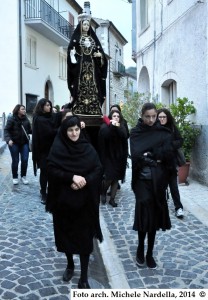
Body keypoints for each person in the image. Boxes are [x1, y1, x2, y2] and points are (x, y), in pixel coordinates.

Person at [46, 116, 103, 289]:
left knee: (85, 239)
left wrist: (84, 180)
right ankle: (70, 264)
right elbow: (51, 168)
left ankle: (84, 277)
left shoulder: (87, 147)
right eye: (70, 130)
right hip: (64, 201)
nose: (74, 133)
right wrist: (71, 177)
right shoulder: (58, 148)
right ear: (65, 131)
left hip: (84, 201)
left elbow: (98, 168)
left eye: (77, 129)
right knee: (66, 236)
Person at [130, 103, 175, 269]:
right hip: (141, 180)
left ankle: (149, 253)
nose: (151, 119)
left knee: (154, 216)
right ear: (142, 115)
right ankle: (140, 248)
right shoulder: (136, 133)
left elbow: (167, 154)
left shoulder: (163, 133)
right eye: (147, 116)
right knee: (144, 214)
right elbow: (135, 155)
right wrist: (151, 157)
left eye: (153, 116)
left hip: (158, 180)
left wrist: (150, 155)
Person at [67, 13, 108, 116]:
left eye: (87, 25)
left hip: (92, 67)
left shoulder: (94, 39)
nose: (86, 26)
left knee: (93, 87)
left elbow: (101, 56)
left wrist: (99, 56)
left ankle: (94, 108)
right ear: (81, 25)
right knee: (80, 86)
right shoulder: (76, 39)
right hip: (80, 68)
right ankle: (79, 107)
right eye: (84, 24)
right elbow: (71, 54)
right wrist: (72, 55)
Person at [32, 98, 63, 204]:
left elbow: (59, 115)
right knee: (45, 172)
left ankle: (51, 191)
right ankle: (43, 192)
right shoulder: (39, 119)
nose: (49, 107)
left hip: (53, 149)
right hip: (43, 150)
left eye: (50, 105)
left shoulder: (51, 116)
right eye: (47, 105)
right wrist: (59, 130)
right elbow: (48, 133)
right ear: (42, 107)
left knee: (52, 171)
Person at [157, 108, 184, 218]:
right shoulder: (154, 129)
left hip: (171, 163)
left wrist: (171, 145)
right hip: (159, 164)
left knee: (174, 187)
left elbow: (180, 140)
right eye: (160, 117)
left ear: (167, 118)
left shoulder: (172, 128)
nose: (162, 119)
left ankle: (179, 208)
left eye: (164, 117)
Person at [98, 110, 128, 207]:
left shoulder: (121, 126)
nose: (116, 117)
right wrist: (111, 126)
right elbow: (104, 136)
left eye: (118, 116)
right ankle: (103, 192)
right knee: (109, 178)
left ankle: (112, 199)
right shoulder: (105, 127)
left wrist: (117, 126)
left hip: (119, 156)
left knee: (116, 178)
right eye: (114, 116)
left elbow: (124, 135)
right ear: (111, 117)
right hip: (108, 156)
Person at [4, 104, 32, 185]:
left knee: (25, 159)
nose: (24, 110)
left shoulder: (26, 119)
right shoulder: (11, 119)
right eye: (22, 109)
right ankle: (15, 177)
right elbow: (6, 130)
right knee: (15, 160)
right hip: (14, 143)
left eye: (24, 109)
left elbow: (30, 130)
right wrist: (8, 140)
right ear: (18, 110)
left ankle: (23, 176)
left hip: (24, 143)